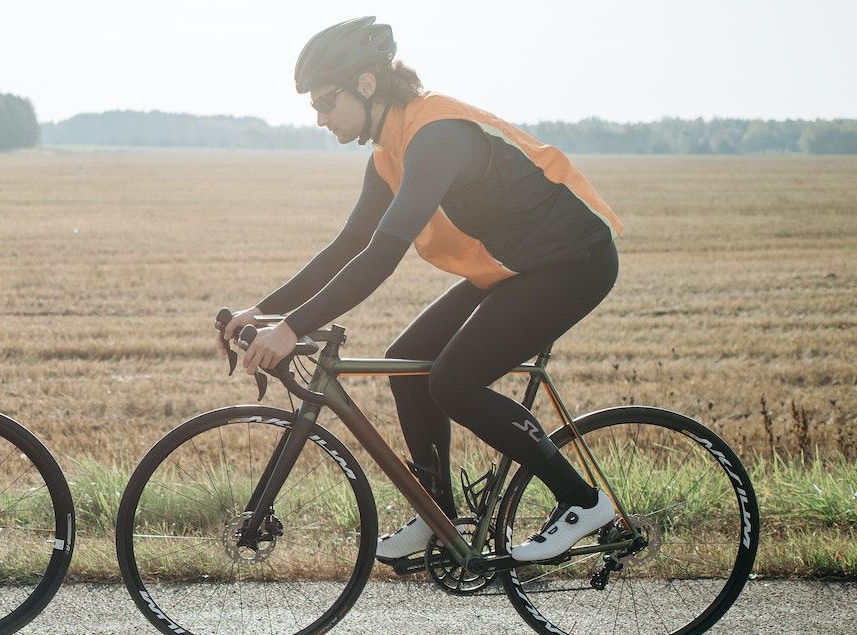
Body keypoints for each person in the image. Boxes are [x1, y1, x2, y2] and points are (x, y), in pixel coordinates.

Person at [219, 16, 623, 563]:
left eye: (325, 102)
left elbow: (382, 256)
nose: (319, 118)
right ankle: (438, 517)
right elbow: (349, 245)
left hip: (573, 262)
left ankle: (582, 501)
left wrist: (291, 329)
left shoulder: (436, 135)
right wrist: (264, 310)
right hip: (515, 266)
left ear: (366, 84)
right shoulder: (389, 152)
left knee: (454, 382)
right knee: (406, 362)